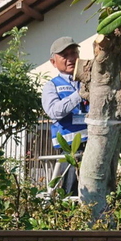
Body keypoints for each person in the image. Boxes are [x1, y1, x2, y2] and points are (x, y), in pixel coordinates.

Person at [41, 36, 90, 196]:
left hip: (93, 144)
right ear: (53, 62)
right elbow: (54, 111)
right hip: (70, 149)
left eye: (73, 53)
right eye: (64, 55)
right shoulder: (51, 86)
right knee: (71, 192)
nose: (70, 59)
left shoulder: (89, 81)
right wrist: (78, 95)